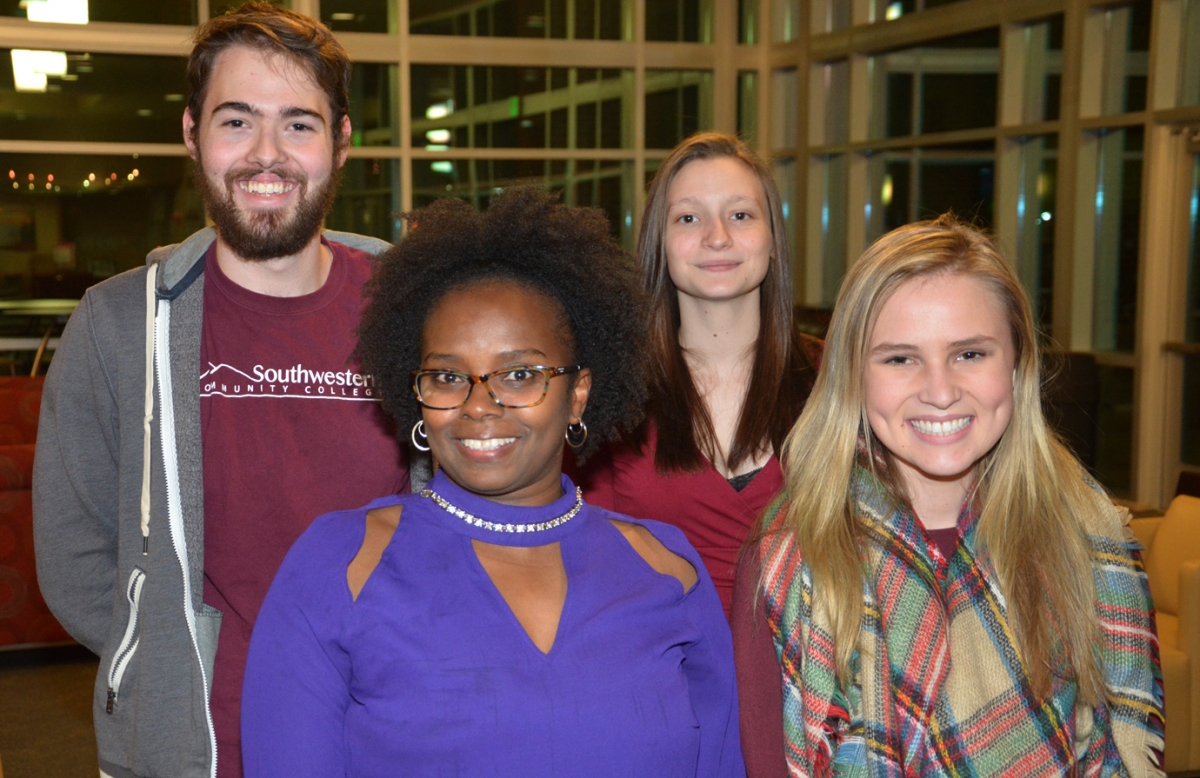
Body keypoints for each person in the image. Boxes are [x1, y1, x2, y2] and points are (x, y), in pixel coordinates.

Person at [241, 188, 745, 777]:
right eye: (449, 376)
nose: (479, 405)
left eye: (520, 373)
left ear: (578, 393)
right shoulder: (340, 564)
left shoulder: (668, 568)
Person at [32, 5, 407, 777]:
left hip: (387, 733)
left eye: (298, 125)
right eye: (236, 121)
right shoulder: (116, 325)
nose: (265, 155)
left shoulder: (413, 307)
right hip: (190, 744)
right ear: (191, 134)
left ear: (341, 144)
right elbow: (73, 557)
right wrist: (162, 657)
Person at [733, 216, 1164, 777]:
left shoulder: (1093, 540)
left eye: (969, 354)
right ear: (851, 377)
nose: (939, 392)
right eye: (900, 358)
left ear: (1017, 365)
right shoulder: (787, 557)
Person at [574, 132, 821, 616]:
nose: (717, 237)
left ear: (773, 240)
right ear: (659, 244)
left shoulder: (837, 378)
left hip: (810, 680)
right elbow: (577, 562)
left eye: (741, 215)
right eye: (689, 217)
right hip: (662, 676)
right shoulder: (607, 389)